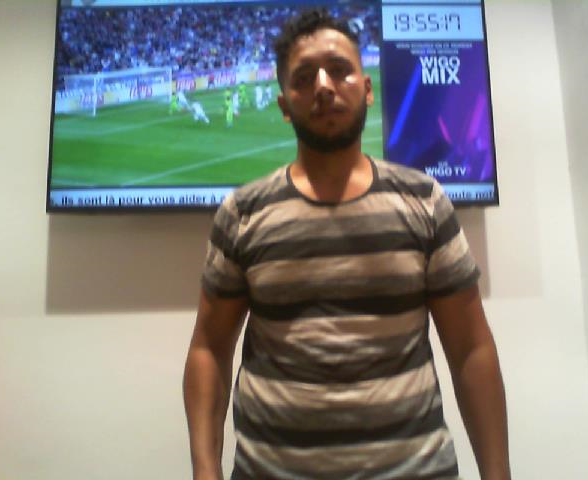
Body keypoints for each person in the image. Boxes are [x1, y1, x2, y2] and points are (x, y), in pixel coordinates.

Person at [184, 9, 510, 480]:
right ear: (284, 104)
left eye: (339, 70)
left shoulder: (424, 201)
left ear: (368, 88)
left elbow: (471, 349)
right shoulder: (243, 213)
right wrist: (204, 471)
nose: (323, 86)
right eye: (304, 78)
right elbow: (208, 351)